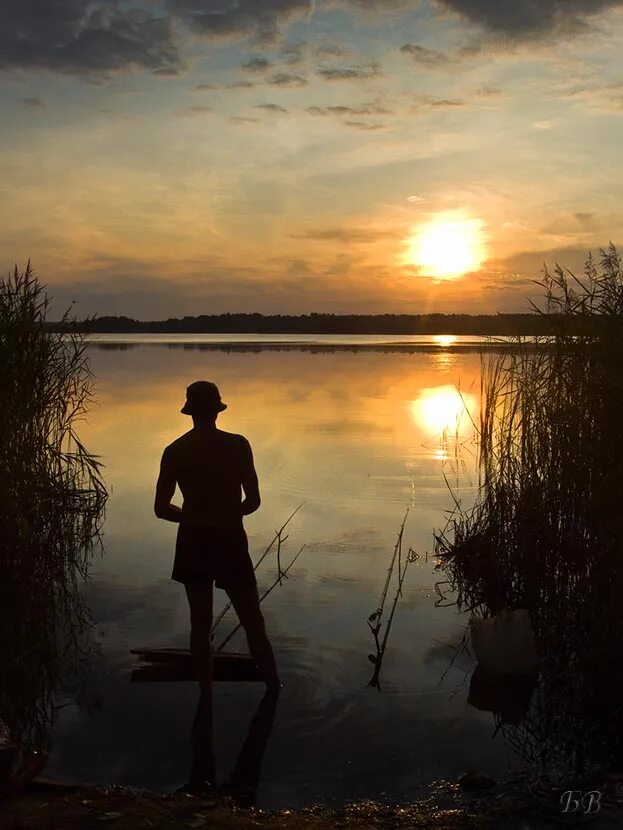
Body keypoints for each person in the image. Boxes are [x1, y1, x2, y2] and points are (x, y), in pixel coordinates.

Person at [154, 380, 281, 695]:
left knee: (200, 625)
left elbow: (160, 509)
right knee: (253, 621)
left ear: (190, 413)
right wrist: (227, 512)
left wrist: (193, 516)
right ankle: (273, 689)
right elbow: (253, 501)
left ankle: (206, 697)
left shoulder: (175, 451)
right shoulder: (238, 445)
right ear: (217, 411)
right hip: (229, 540)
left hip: (193, 542)